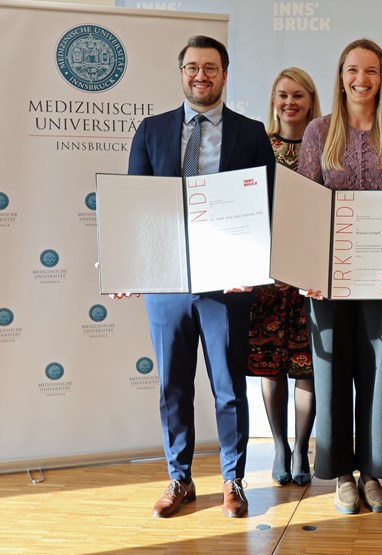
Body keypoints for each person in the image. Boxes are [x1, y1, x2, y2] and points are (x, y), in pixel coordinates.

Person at [125, 35, 275, 518]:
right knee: (172, 384)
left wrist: (254, 266)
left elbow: (266, 208)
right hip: (168, 282)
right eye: (192, 67)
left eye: (211, 68)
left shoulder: (251, 134)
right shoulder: (150, 131)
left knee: (229, 386)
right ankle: (179, 478)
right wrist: (130, 262)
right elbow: (138, 209)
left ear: (225, 75)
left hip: (228, 285)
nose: (201, 76)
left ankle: (233, 480)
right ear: (182, 72)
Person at [298, 38, 382, 515]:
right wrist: (307, 269)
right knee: (331, 376)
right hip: (327, 280)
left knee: (375, 375)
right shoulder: (318, 131)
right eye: (352, 69)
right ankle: (341, 477)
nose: (361, 79)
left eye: (370, 70)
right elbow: (306, 208)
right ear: (341, 74)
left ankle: (372, 473)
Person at [249, 67, 321, 487]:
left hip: (309, 275)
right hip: (267, 276)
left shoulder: (323, 145)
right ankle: (278, 445)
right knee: (269, 367)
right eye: (282, 95)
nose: (289, 102)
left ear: (311, 100)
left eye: (298, 95)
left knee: (306, 367)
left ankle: (301, 448)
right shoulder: (258, 145)